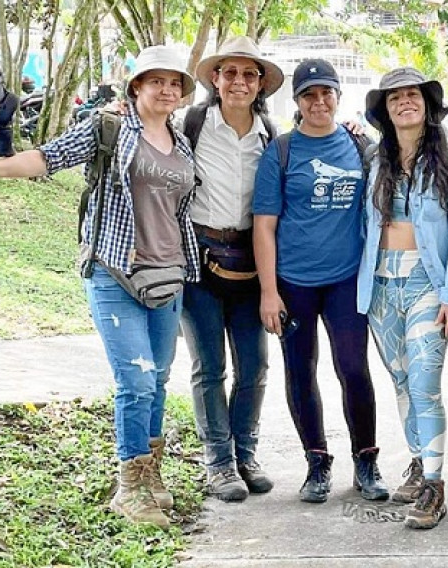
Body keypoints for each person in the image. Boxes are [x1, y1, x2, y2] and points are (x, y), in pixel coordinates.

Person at [0, 45, 198, 527]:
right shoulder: (108, 127)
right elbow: (50, 157)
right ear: (136, 87)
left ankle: (150, 477)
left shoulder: (181, 141)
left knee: (159, 381)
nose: (166, 91)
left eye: (174, 84)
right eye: (156, 81)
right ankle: (128, 487)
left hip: (169, 273)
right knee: (136, 380)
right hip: (114, 269)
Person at [252, 58, 388, 505]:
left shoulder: (358, 146)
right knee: (300, 370)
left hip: (346, 280)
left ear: (337, 97)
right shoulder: (282, 152)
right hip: (294, 282)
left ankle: (366, 460)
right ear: (297, 101)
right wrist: (269, 292)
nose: (319, 101)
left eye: (326, 92)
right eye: (310, 94)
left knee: (353, 369)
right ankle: (316, 462)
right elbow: (265, 226)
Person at [357, 67, 448, 529]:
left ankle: (434, 483)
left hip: (428, 284)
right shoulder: (376, 162)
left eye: (413, 95)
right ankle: (418, 458)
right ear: (385, 112)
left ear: (427, 107)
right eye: (395, 98)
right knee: (403, 382)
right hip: (382, 284)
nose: (405, 102)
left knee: (426, 382)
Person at [180, 36, 283, 502]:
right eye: (230, 73)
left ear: (260, 84)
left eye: (249, 74)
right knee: (209, 367)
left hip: (251, 260)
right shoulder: (192, 125)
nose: (239, 82)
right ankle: (218, 463)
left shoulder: (271, 137)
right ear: (215, 79)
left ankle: (246, 452)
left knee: (255, 366)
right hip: (198, 258)